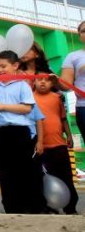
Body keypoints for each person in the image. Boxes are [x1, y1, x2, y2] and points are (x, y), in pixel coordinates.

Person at [0, 50, 39, 214]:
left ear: (15, 65)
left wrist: (3, 106)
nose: (0, 70)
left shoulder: (22, 85)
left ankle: (28, 207)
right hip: (0, 134)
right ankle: (10, 208)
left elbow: (27, 108)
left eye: (3, 66)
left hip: (19, 133)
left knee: (23, 170)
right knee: (4, 171)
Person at [34, 74, 79, 214]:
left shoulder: (57, 98)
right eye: (39, 79)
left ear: (52, 82)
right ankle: (50, 207)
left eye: (46, 80)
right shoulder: (30, 98)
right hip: (42, 147)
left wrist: (69, 135)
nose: (43, 82)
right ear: (33, 81)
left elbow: (63, 119)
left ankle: (71, 207)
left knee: (66, 177)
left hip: (59, 145)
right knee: (45, 179)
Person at [58, 21, 85, 137]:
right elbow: (65, 85)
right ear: (79, 36)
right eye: (83, 31)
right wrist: (54, 81)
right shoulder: (73, 57)